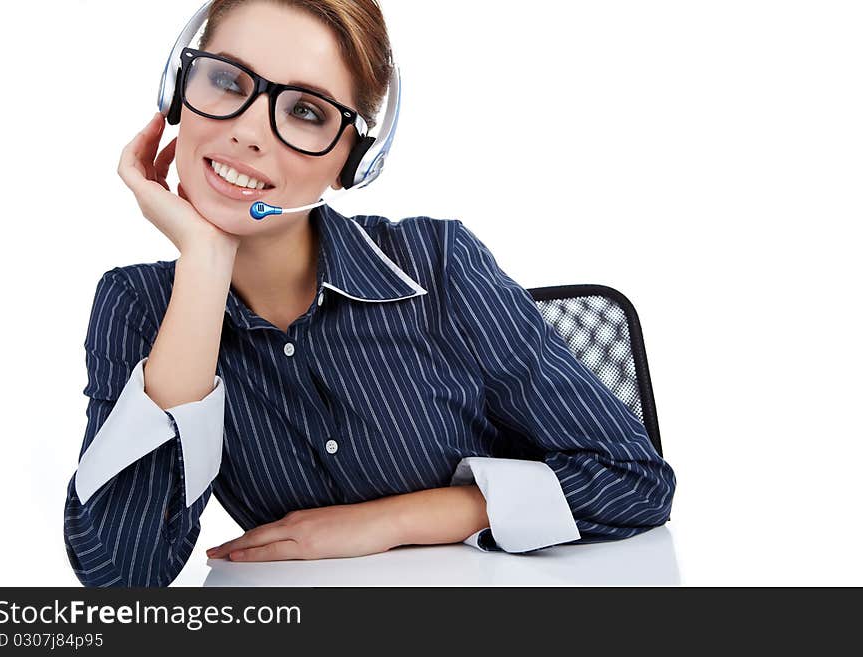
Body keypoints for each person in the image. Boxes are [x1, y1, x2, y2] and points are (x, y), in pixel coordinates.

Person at [63, 0, 677, 587]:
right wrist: (205, 260)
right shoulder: (136, 306)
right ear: (178, 91)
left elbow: (633, 478)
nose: (249, 132)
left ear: (353, 160)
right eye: (226, 81)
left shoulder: (438, 266)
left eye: (306, 111)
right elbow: (123, 575)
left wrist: (389, 522)